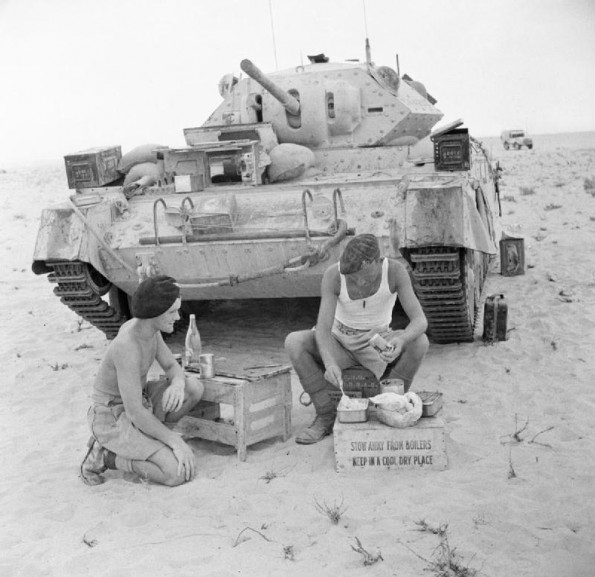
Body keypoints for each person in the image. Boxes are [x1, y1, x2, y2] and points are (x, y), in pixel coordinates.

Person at [285, 234, 429, 444]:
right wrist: (330, 363)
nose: (359, 282)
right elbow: (323, 330)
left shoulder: (395, 271)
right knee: (294, 342)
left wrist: (403, 340)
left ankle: (391, 407)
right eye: (353, 278)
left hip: (377, 341)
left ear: (378, 262)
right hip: (339, 340)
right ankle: (326, 415)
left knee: (420, 342)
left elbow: (420, 321)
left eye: (364, 276)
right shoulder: (333, 275)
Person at [80, 275, 204, 486]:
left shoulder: (150, 330)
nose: (177, 317)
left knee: (193, 387)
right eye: (172, 312)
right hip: (113, 415)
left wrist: (178, 383)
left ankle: (152, 441)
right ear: (153, 313)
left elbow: (172, 367)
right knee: (176, 474)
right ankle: (107, 456)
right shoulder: (127, 345)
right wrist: (175, 442)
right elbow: (134, 412)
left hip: (140, 402)